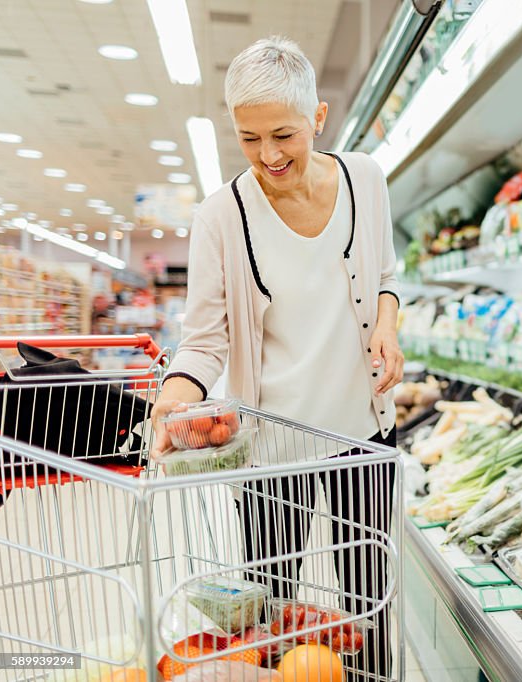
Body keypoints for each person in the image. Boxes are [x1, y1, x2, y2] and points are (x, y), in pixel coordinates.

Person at [151, 36, 403, 681]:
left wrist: (388, 323)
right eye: (250, 139)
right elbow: (205, 338)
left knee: (370, 605)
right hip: (271, 449)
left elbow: (385, 273)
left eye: (284, 135)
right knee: (268, 615)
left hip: (360, 438)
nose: (269, 156)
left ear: (318, 118)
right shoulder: (221, 216)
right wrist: (174, 403)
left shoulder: (366, 179)